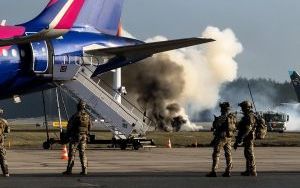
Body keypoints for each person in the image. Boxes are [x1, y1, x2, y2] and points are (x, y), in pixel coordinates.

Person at [206, 102, 237, 177]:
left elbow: (215, 125)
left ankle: (214, 171)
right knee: (228, 154)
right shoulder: (232, 117)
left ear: (223, 109)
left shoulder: (223, 117)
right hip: (229, 137)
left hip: (221, 137)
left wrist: (215, 120)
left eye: (221, 109)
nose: (220, 110)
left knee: (216, 153)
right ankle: (228, 170)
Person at [63, 100, 91, 175]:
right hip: (84, 137)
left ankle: (69, 170)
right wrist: (87, 134)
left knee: (72, 153)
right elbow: (89, 126)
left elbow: (69, 126)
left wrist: (67, 136)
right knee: (83, 153)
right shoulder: (88, 116)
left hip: (75, 137)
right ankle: (85, 170)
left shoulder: (76, 115)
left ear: (78, 107)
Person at [234, 101, 257, 176]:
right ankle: (248, 170)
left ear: (247, 108)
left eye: (243, 107)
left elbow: (248, 129)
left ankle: (253, 170)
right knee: (247, 153)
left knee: (249, 153)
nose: (242, 109)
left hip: (249, 137)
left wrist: (241, 138)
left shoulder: (249, 116)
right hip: (247, 137)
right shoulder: (248, 115)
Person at [0, 109, 9, 177]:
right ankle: (5, 173)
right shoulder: (4, 121)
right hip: (0, 143)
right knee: (3, 158)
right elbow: (7, 131)